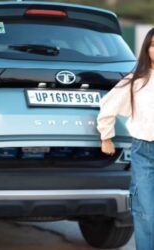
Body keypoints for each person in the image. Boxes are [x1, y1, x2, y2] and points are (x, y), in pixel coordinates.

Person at [97, 27, 154, 250]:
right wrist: (106, 137)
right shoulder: (136, 80)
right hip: (145, 153)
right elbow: (108, 106)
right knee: (147, 213)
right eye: (152, 44)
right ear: (146, 49)